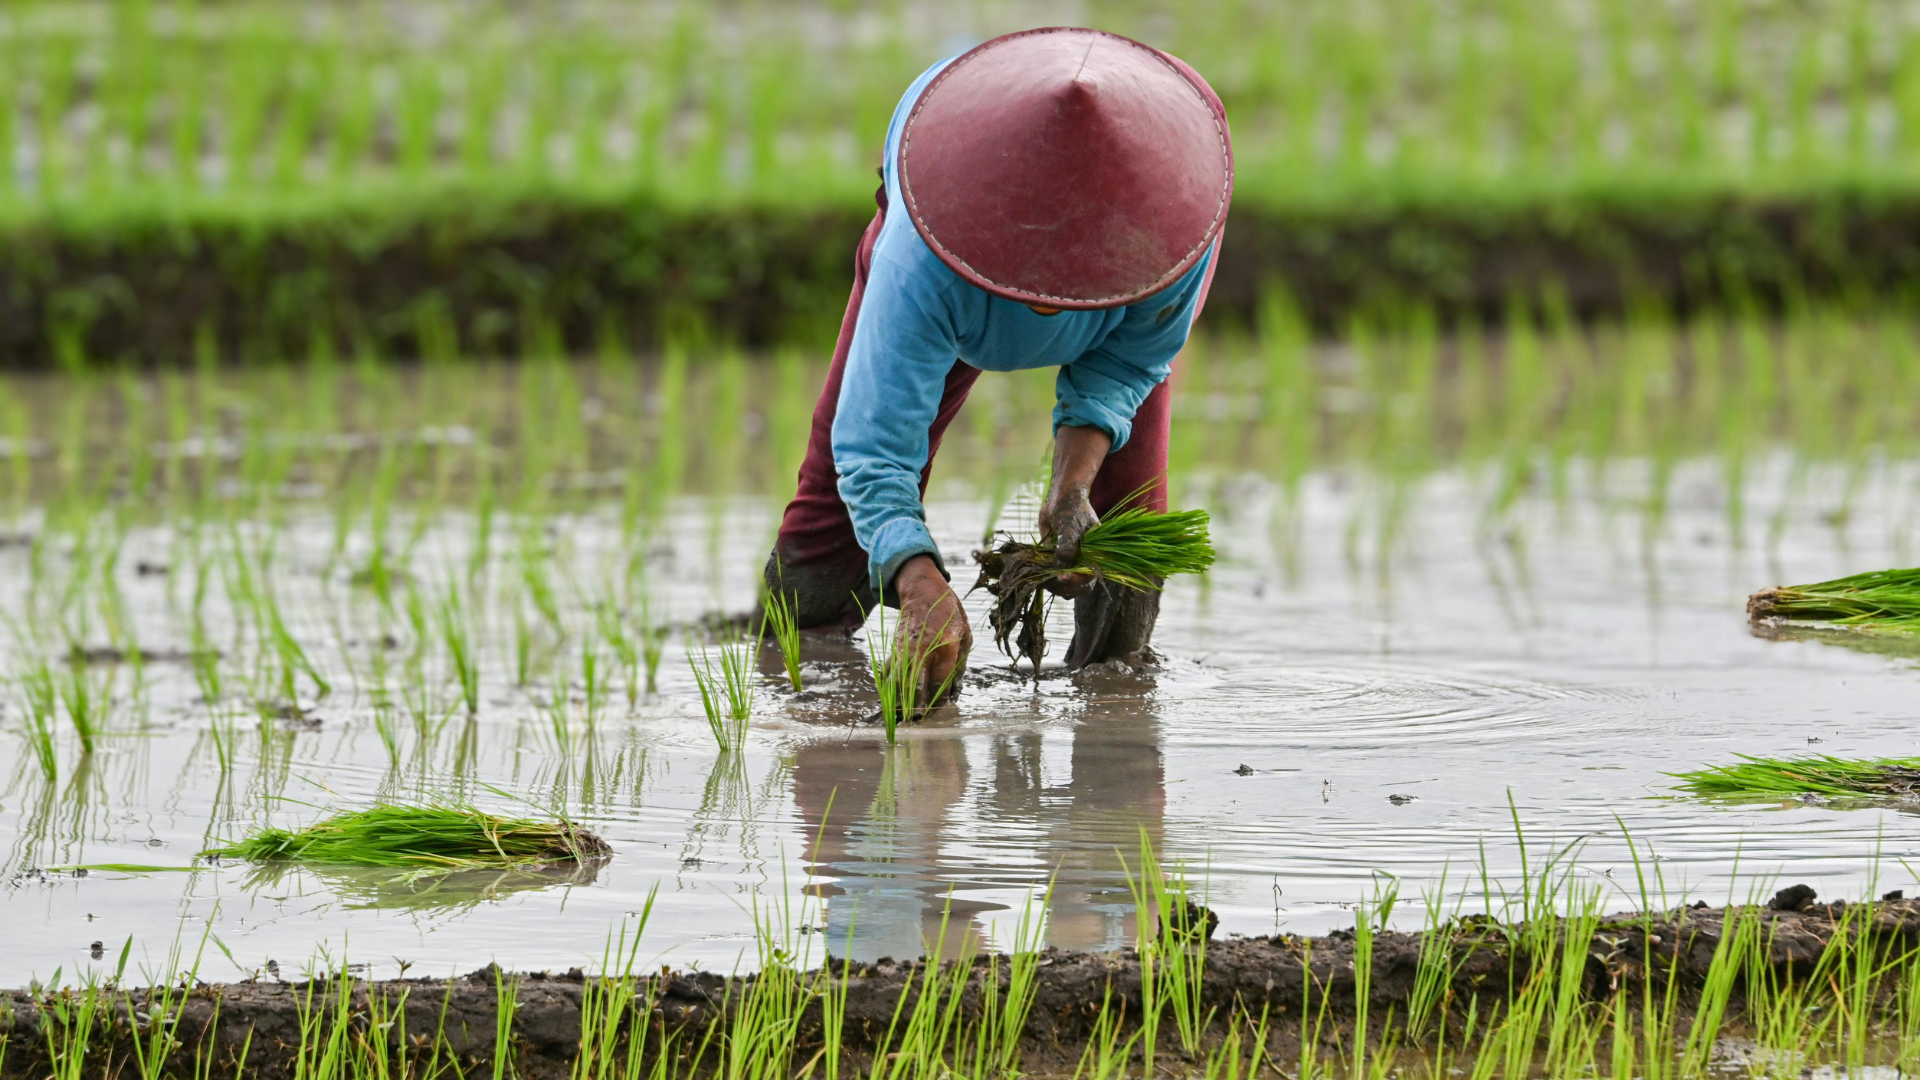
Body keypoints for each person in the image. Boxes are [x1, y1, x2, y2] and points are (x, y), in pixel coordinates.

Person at [764, 26, 1233, 696]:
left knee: (1127, 531)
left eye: (1073, 290)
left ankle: (1113, 719)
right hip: (950, 272)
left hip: (1134, 252)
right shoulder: (922, 256)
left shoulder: (1176, 221)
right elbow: (873, 448)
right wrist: (919, 582)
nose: (1047, 308)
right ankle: (794, 679)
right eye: (1030, 288)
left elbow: (1129, 365)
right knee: (831, 522)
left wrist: (1072, 488)